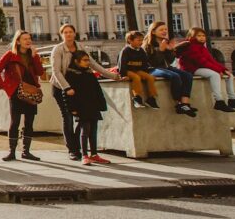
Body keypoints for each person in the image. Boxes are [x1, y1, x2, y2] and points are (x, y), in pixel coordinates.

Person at [49, 24, 119, 161]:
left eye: (71, 32)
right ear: (61, 35)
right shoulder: (58, 49)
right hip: (60, 87)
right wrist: (66, 88)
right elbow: (56, 71)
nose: (68, 34)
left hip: (77, 88)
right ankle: (73, 150)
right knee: (68, 118)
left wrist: (113, 75)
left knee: (84, 119)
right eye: (65, 32)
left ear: (75, 33)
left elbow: (92, 64)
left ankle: (80, 148)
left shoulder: (80, 47)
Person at [0, 30, 46, 162]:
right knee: (14, 122)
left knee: (29, 122)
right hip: (16, 93)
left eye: (29, 38)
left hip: (31, 92)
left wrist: (34, 57)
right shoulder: (10, 55)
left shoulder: (34, 55)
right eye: (25, 39)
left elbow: (40, 72)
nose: (28, 41)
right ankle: (12, 152)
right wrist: (5, 87)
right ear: (18, 41)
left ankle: (26, 151)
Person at [177, 27, 235, 112]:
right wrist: (218, 70)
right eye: (199, 36)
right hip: (191, 69)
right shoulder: (191, 47)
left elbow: (211, 61)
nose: (202, 37)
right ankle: (219, 101)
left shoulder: (202, 47)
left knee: (229, 75)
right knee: (214, 74)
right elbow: (202, 61)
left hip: (199, 68)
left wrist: (224, 70)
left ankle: (232, 100)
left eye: (203, 35)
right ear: (192, 37)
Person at [65, 51, 110, 166]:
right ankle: (84, 154)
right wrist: (72, 108)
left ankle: (94, 154)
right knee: (85, 130)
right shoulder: (71, 74)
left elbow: (97, 89)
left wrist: (101, 104)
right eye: (84, 60)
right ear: (76, 61)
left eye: (88, 60)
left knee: (93, 130)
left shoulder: (89, 73)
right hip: (81, 106)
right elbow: (68, 93)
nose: (87, 62)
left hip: (92, 106)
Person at [143, 21, 196, 117]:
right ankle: (178, 103)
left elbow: (170, 61)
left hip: (166, 67)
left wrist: (171, 50)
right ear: (153, 32)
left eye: (165, 29)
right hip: (152, 69)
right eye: (161, 30)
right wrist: (161, 50)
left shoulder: (165, 42)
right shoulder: (148, 45)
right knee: (175, 76)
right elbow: (153, 63)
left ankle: (185, 103)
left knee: (187, 75)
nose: (164, 31)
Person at [118, 31, 160, 109]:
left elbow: (144, 63)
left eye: (142, 40)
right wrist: (123, 75)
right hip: (128, 71)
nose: (141, 42)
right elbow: (122, 64)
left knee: (150, 78)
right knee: (136, 77)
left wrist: (147, 74)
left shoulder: (141, 51)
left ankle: (151, 98)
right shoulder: (126, 50)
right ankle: (137, 98)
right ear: (130, 40)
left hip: (138, 70)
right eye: (138, 40)